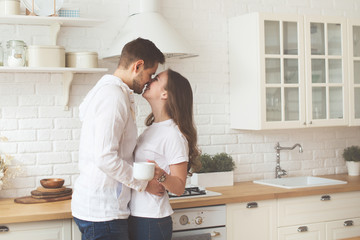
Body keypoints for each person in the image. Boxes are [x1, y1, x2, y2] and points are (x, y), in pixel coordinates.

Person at [71, 38, 165, 240]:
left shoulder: (109, 91)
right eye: (150, 74)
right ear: (137, 66)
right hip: (103, 213)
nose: (149, 80)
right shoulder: (113, 97)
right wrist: (144, 184)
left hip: (101, 211)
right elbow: (105, 157)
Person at [128, 69, 201, 240]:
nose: (149, 80)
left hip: (152, 220)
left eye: (156, 79)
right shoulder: (152, 130)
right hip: (137, 215)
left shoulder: (173, 135)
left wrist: (162, 176)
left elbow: (179, 187)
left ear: (165, 94)